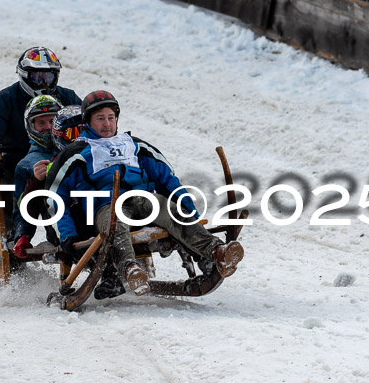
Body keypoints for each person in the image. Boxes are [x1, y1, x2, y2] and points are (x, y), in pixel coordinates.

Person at [45, 90, 244, 299]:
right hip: (106, 206)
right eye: (100, 119)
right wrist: (65, 234)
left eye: (111, 118)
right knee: (115, 224)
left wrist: (188, 208)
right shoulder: (77, 152)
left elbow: (166, 177)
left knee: (171, 211)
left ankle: (217, 251)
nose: (107, 124)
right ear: (88, 121)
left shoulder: (134, 145)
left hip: (144, 199)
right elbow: (55, 196)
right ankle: (130, 269)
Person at [0, 47, 82, 234]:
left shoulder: (67, 97)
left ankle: (77, 231)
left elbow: (87, 126)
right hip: (13, 160)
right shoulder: (4, 100)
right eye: (37, 78)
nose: (43, 84)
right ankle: (12, 237)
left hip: (59, 159)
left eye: (47, 78)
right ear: (24, 76)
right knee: (3, 184)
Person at [12, 103, 85, 259]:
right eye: (41, 123)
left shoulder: (77, 147)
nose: (48, 128)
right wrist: (22, 235)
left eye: (52, 122)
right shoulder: (26, 165)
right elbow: (21, 208)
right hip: (58, 221)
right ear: (30, 127)